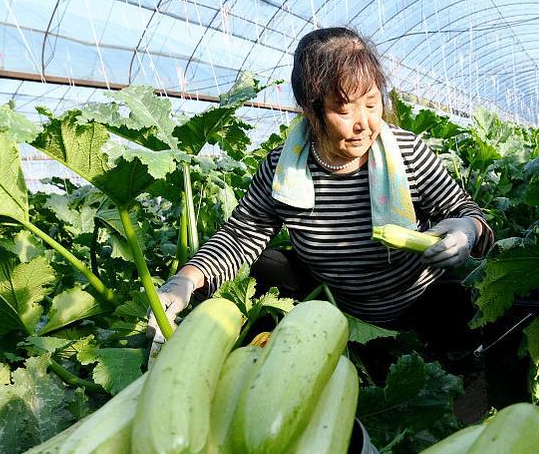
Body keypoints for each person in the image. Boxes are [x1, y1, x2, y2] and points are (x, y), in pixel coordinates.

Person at [146, 27, 495, 349]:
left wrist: (466, 229)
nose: (364, 123)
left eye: (372, 104)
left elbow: (466, 212)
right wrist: (186, 280)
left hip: (422, 304)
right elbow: (240, 236)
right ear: (311, 110)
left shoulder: (405, 153)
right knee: (265, 264)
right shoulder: (282, 170)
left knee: (464, 309)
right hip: (336, 311)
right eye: (344, 110)